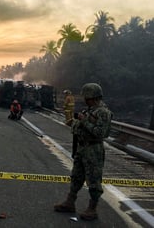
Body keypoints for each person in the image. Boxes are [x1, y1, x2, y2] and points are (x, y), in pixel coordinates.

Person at [54, 83, 112, 221]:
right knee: (76, 176)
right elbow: (78, 126)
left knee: (93, 180)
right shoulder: (89, 111)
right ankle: (70, 202)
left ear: (92, 97)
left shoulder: (103, 112)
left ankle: (92, 208)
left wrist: (84, 121)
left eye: (86, 96)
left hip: (93, 149)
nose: (85, 99)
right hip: (82, 148)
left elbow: (101, 133)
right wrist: (75, 123)